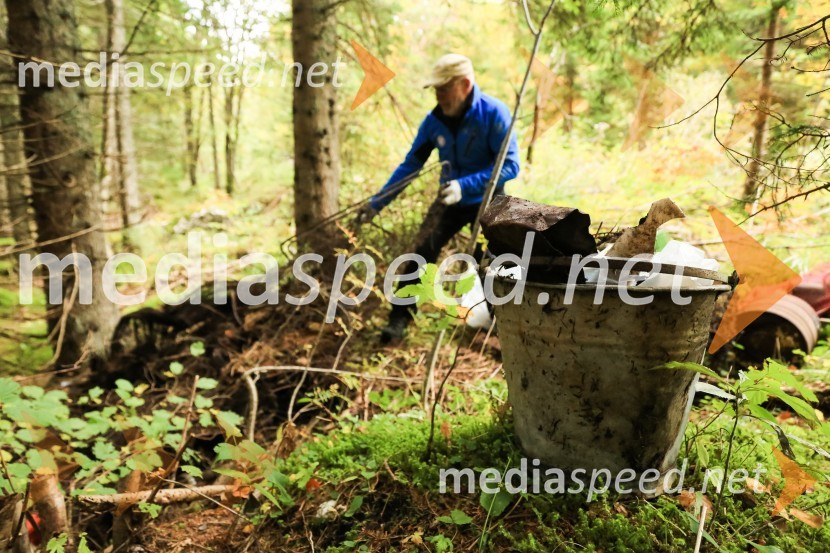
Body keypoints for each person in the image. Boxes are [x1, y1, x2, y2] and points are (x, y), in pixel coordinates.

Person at [357, 53, 520, 343]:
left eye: (444, 88)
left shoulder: (494, 113)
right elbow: (410, 166)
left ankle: (505, 323)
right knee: (421, 252)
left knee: (491, 262)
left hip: (488, 199)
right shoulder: (434, 122)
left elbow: (510, 165)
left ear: (465, 84)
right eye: (436, 89)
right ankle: (399, 320)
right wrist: (375, 204)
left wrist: (467, 185)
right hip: (449, 200)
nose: (439, 95)